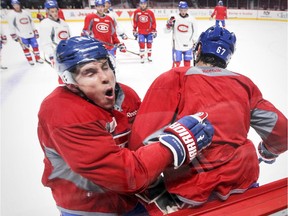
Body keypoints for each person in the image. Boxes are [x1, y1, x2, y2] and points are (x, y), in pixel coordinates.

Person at [37, 36, 214, 215]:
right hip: (88, 207)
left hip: (131, 197)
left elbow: (140, 141)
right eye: (89, 72)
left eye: (105, 66)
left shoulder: (126, 95)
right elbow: (123, 174)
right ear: (70, 82)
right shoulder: (62, 112)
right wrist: (174, 146)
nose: (105, 77)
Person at [129, 26, 287, 214]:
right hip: (244, 189)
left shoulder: (174, 78)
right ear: (227, 57)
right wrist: (267, 152)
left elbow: (140, 142)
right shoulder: (245, 84)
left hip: (189, 195)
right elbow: (282, 131)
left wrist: (153, 188)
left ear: (198, 49)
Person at [8, 0, 43, 65]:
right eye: (14, 5)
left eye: (17, 4)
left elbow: (31, 22)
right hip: (21, 35)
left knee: (35, 46)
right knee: (25, 48)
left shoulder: (26, 12)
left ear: (19, 4)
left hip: (31, 33)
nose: (16, 6)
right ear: (12, 6)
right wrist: (13, 35)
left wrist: (35, 30)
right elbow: (11, 26)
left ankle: (38, 58)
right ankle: (30, 60)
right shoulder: (11, 15)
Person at [165, 1, 198, 68]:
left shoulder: (192, 19)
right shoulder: (174, 18)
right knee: (176, 65)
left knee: (187, 65)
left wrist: (194, 41)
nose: (183, 12)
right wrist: (169, 25)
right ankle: (175, 78)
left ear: (187, 9)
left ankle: (186, 78)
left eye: (185, 10)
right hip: (177, 45)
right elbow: (166, 31)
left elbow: (195, 31)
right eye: (181, 10)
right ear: (179, 9)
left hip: (188, 45)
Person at [39, 0, 70, 67]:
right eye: (52, 12)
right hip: (57, 55)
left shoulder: (63, 22)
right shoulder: (45, 24)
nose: (55, 13)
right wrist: (51, 56)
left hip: (67, 53)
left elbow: (69, 37)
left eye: (56, 11)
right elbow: (45, 43)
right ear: (47, 12)